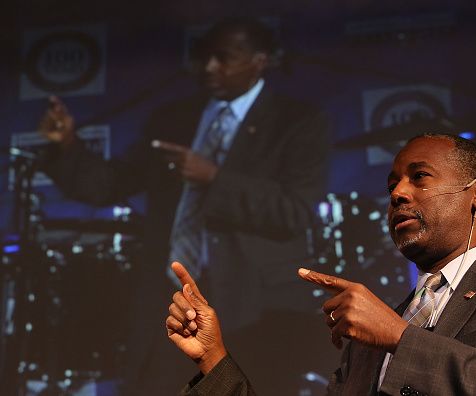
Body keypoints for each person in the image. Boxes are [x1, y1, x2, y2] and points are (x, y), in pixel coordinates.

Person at [166, 133, 476, 395]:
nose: (397, 194)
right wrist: (214, 358)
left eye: (419, 177)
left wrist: (398, 337)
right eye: (392, 184)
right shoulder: (369, 338)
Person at [38, 17, 331, 395]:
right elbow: (108, 185)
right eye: (206, 57)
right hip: (169, 304)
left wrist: (215, 178)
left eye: (224, 58)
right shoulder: (173, 119)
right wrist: (66, 146)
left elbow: (294, 211)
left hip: (253, 310)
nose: (210, 68)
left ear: (260, 61)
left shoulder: (297, 121)